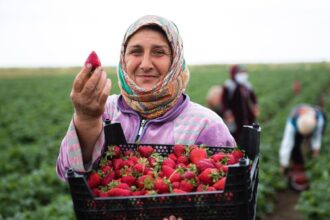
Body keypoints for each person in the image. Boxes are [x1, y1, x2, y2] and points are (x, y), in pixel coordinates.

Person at [56, 14, 235, 189]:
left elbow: (225, 195)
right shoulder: (103, 109)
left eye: (159, 52)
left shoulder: (205, 125)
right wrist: (86, 118)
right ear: (123, 58)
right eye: (136, 51)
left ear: (176, 59)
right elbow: (69, 174)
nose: (146, 64)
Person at [279, 104, 326, 190]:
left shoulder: (319, 120)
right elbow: (287, 143)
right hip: (299, 121)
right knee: (295, 145)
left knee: (314, 147)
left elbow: (317, 137)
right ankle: (298, 163)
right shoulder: (292, 122)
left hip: (314, 119)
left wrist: (316, 150)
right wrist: (284, 163)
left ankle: (310, 157)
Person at [220, 64, 259, 145]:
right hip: (234, 116)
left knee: (248, 136)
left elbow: (253, 97)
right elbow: (224, 101)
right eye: (240, 73)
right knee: (235, 136)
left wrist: (255, 106)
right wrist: (227, 112)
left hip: (247, 116)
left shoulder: (247, 85)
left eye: (244, 72)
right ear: (234, 73)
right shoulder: (229, 85)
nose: (243, 75)